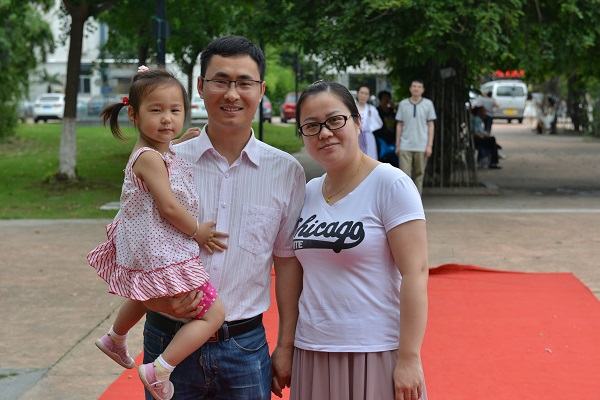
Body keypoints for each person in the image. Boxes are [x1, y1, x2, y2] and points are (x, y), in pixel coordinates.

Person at [139, 35, 307, 399]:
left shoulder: (286, 172)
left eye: (244, 83)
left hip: (245, 348)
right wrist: (153, 301)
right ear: (200, 87)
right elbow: (133, 245)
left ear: (261, 90)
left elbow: (287, 262)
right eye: (221, 81)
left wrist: (286, 344)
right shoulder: (166, 163)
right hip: (167, 342)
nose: (232, 94)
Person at [87, 66, 229, 400]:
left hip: (146, 248)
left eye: (175, 110)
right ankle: (160, 369)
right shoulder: (150, 159)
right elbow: (168, 206)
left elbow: (159, 154)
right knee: (215, 314)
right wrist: (197, 231)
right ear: (134, 115)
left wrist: (179, 141)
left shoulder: (155, 152)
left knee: (143, 293)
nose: (167, 118)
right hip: (163, 250)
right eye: (156, 110)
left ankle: (115, 337)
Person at [291, 80, 430, 400]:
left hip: (375, 350)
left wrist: (409, 357)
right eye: (311, 126)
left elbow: (416, 273)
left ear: (357, 122)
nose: (324, 133)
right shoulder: (308, 191)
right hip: (313, 348)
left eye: (334, 120)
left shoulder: (391, 184)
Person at [394, 79, 437, 195]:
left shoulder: (428, 104)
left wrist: (429, 145)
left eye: (419, 87)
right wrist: (397, 144)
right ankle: (405, 200)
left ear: (423, 90)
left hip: (421, 145)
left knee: (419, 175)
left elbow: (431, 125)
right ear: (410, 88)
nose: (416, 89)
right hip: (405, 144)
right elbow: (399, 124)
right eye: (414, 86)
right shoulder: (403, 104)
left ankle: (416, 200)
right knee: (404, 176)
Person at [355, 85, 383, 160]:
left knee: (370, 157)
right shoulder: (351, 108)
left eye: (366, 94)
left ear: (369, 96)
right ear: (357, 94)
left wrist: (369, 129)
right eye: (362, 93)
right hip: (354, 136)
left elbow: (378, 123)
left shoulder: (372, 109)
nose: (363, 96)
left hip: (368, 136)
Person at [374, 90, 399, 166]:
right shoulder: (376, 111)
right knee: (380, 159)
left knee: (393, 160)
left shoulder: (392, 112)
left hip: (392, 139)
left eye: (388, 98)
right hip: (380, 139)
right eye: (384, 98)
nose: (386, 100)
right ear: (380, 99)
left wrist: (395, 108)